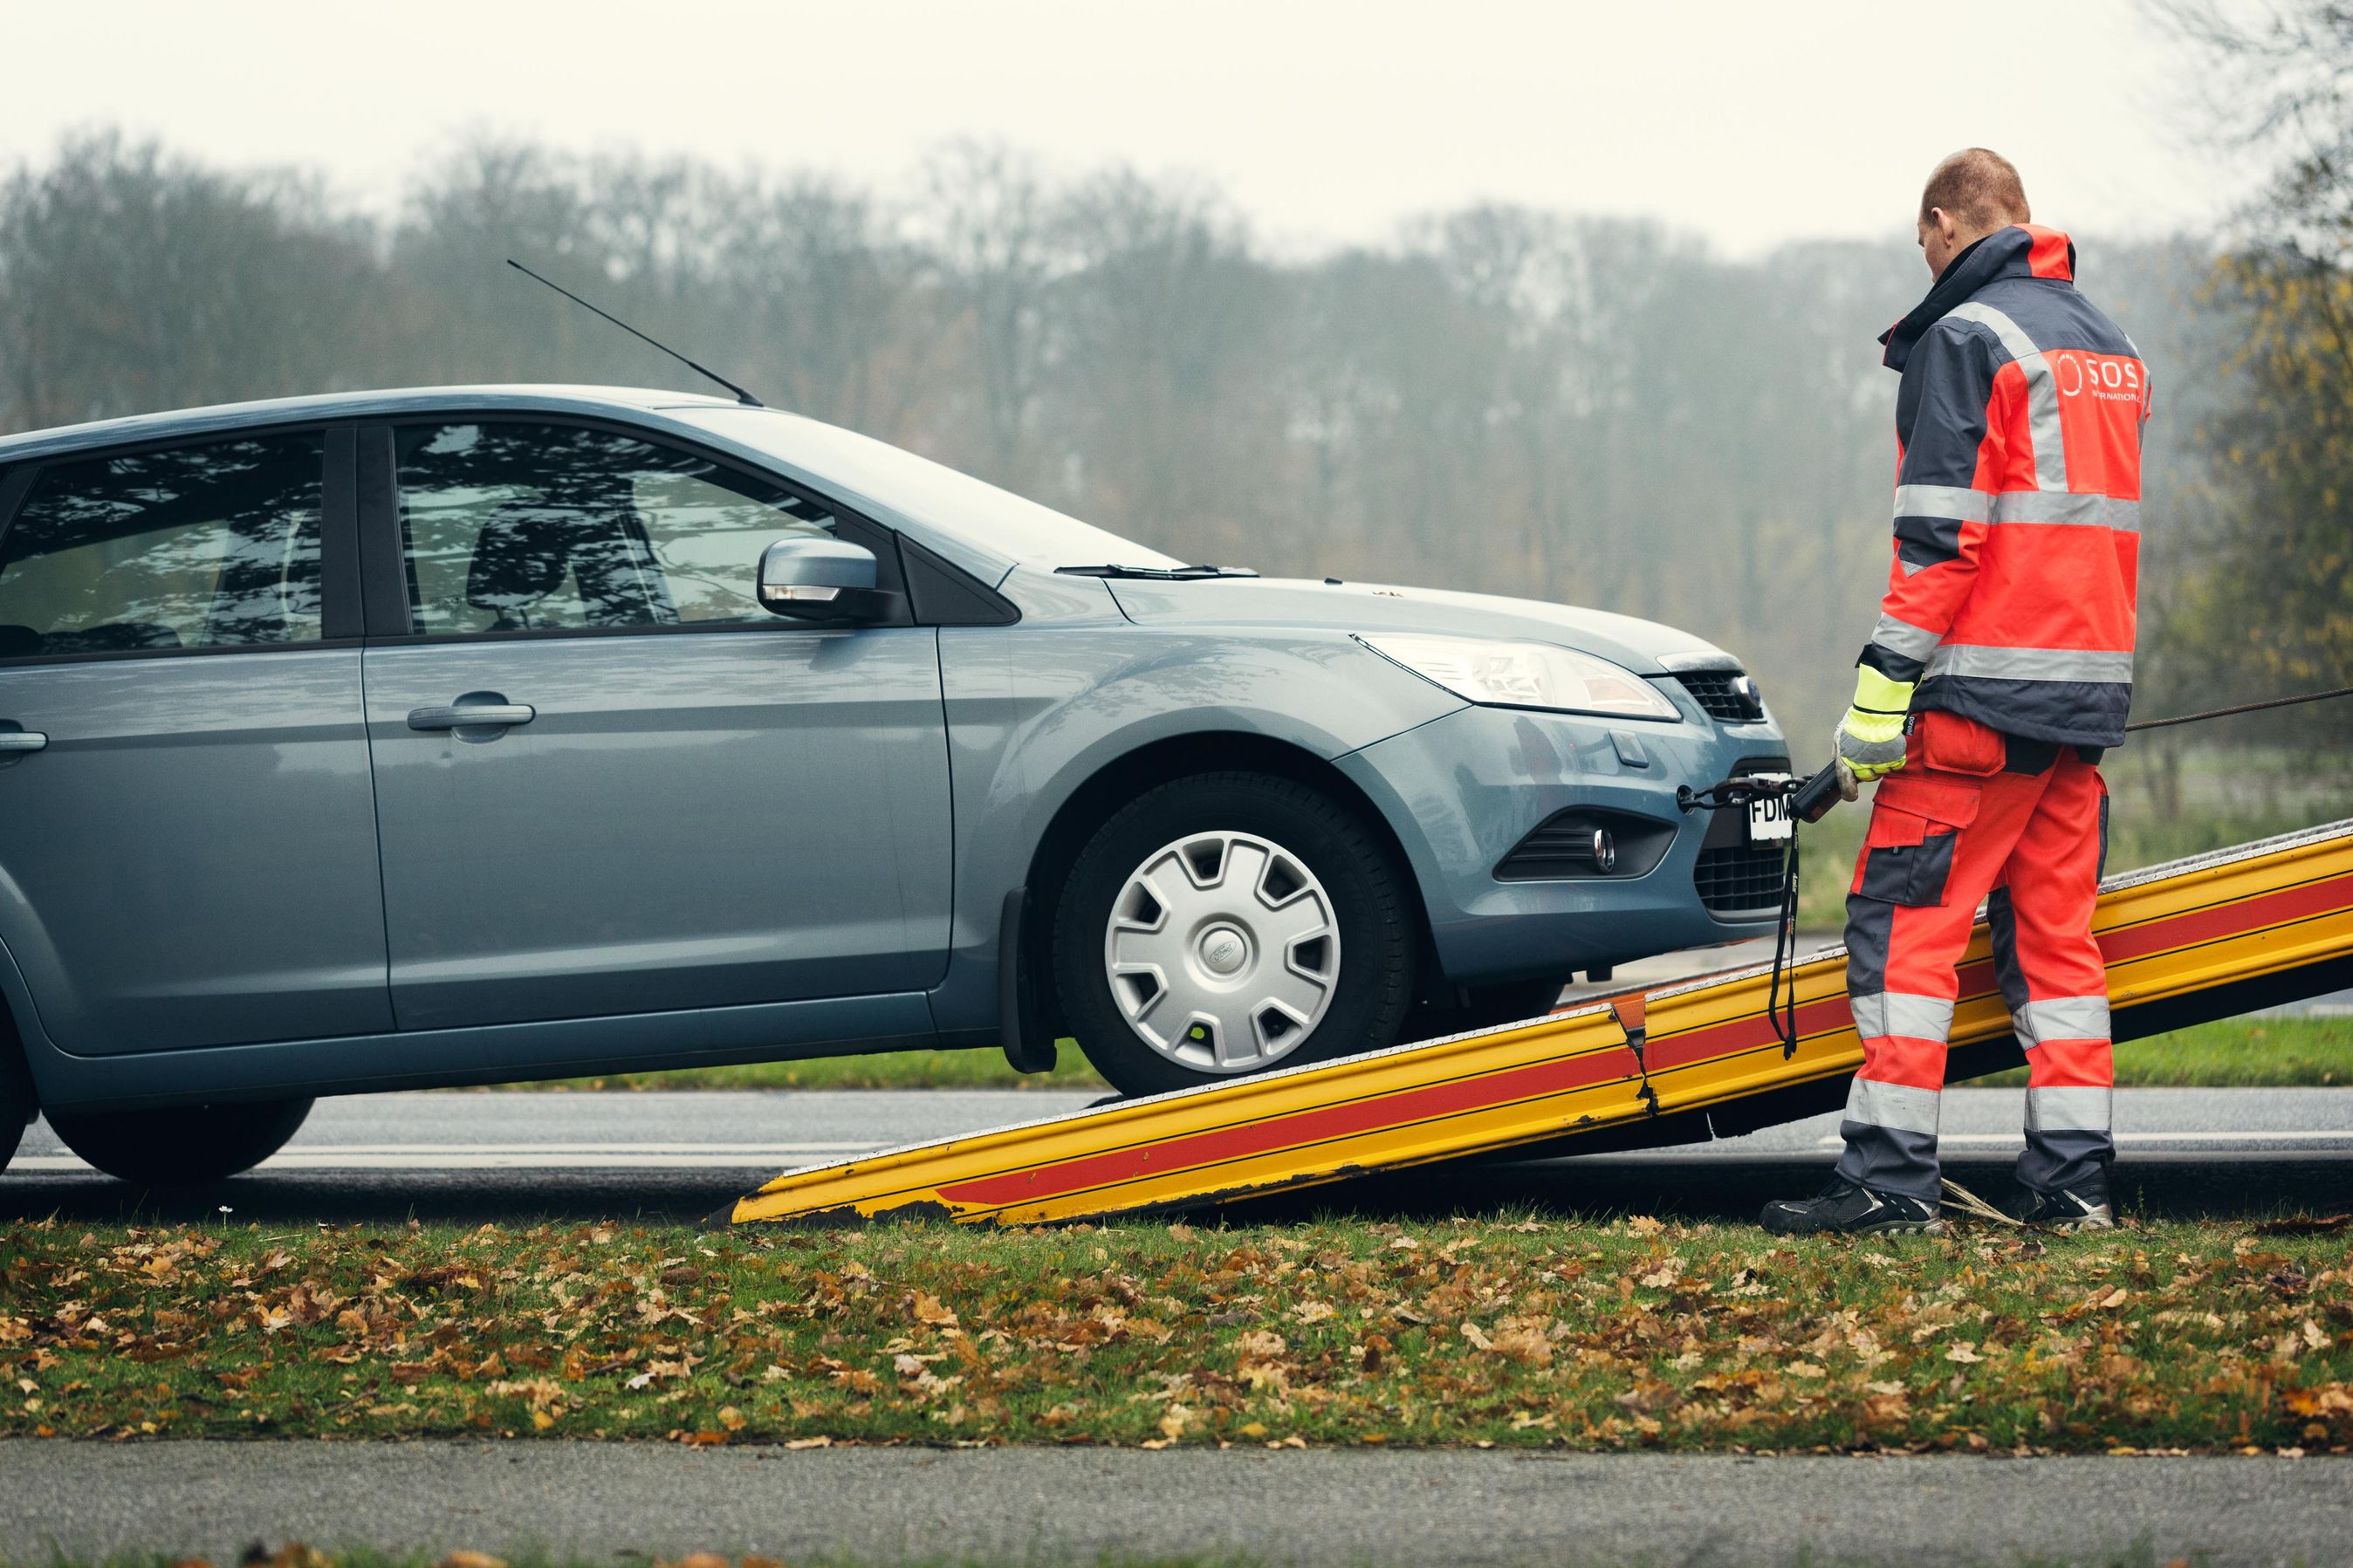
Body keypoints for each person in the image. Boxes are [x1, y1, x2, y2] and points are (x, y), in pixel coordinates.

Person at [1760, 149, 2151, 1236]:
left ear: (1944, 225)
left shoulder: (1963, 338)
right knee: (2057, 950)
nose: (1924, 259)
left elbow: (1938, 541)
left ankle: (1887, 1182)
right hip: (2078, 717)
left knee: (1901, 932)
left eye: (1920, 242)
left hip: (1973, 712)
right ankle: (2071, 1188)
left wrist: (1879, 697)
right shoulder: (2107, 345)